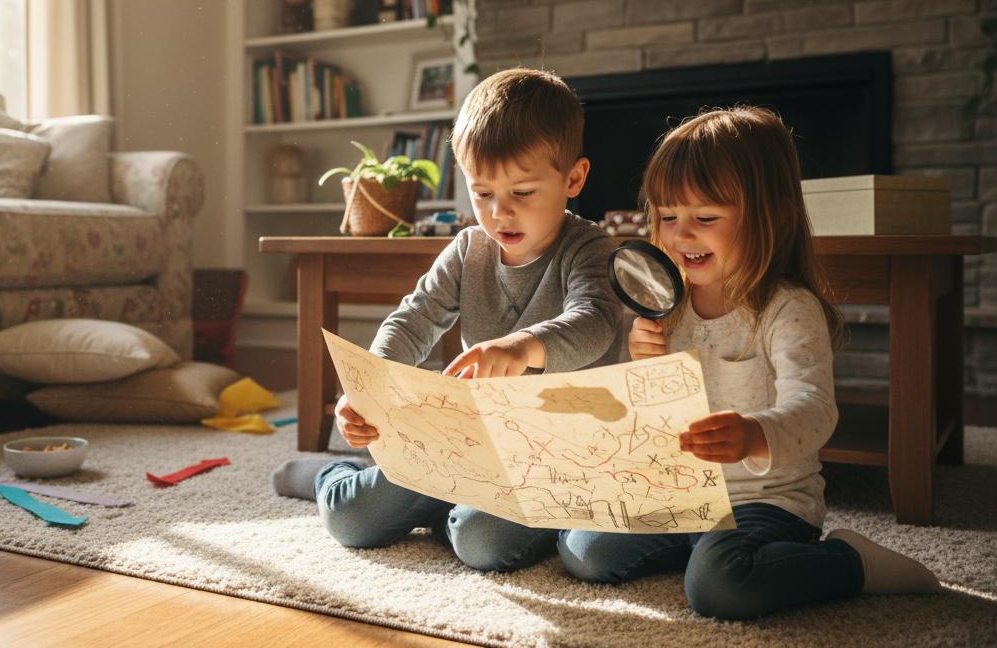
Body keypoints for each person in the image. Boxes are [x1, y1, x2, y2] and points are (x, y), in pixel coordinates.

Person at [558, 105, 942, 620]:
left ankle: (851, 561)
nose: (681, 235)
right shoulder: (669, 306)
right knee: (584, 549)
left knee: (721, 587)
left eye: (705, 218)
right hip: (685, 495)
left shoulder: (787, 309)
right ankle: (705, 550)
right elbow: (654, 424)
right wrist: (643, 365)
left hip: (768, 501)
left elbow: (816, 409)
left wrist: (753, 435)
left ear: (772, 215)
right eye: (667, 217)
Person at [272, 67, 623, 573]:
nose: (500, 213)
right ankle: (330, 476)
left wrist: (521, 346)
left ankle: (445, 512)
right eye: (482, 194)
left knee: (483, 542)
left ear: (573, 178)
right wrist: (370, 388)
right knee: (353, 520)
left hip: (552, 455)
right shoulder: (468, 249)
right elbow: (412, 321)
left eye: (523, 193)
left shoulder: (591, 248)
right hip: (468, 440)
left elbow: (595, 322)